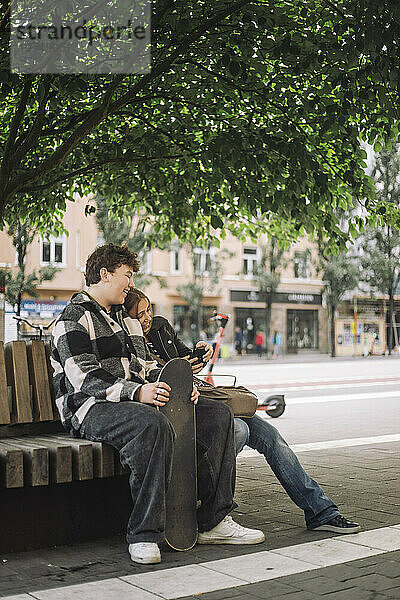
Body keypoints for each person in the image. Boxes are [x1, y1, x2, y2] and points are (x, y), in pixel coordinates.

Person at [51, 244, 264, 566]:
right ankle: (144, 533)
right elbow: (84, 379)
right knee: (151, 424)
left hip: (133, 400)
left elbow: (145, 365)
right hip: (89, 408)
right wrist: (137, 393)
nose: (130, 283)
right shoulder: (73, 317)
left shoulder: (126, 317)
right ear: (104, 274)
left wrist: (181, 388)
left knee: (217, 414)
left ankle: (213, 521)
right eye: (127, 275)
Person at [125, 288, 361, 536]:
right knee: (239, 430)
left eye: (148, 309)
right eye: (139, 315)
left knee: (271, 437)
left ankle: (321, 511)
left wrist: (200, 353)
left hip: (202, 399)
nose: (147, 318)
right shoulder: (130, 340)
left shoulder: (161, 327)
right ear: (127, 318)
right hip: (178, 412)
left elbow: (184, 358)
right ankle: (206, 505)